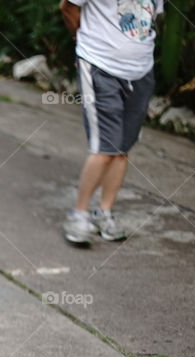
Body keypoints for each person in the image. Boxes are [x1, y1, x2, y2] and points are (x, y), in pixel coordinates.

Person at [59, 0, 163, 245]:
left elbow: (150, 19)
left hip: (140, 71)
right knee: (105, 149)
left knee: (121, 150)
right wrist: (81, 41)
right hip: (99, 65)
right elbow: (68, 7)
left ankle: (104, 213)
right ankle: (79, 214)